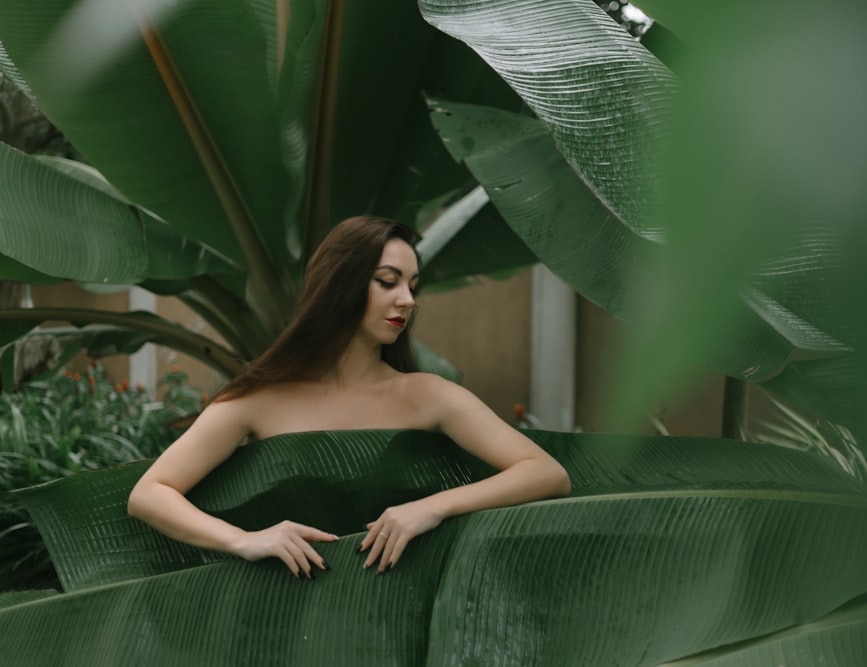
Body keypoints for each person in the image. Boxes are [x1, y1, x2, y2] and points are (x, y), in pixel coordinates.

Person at [127, 215, 571, 577]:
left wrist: (431, 507)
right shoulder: (259, 398)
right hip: (284, 623)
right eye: (388, 281)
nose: (408, 300)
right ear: (342, 282)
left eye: (412, 286)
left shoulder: (428, 395)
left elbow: (545, 473)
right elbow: (150, 493)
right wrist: (243, 540)